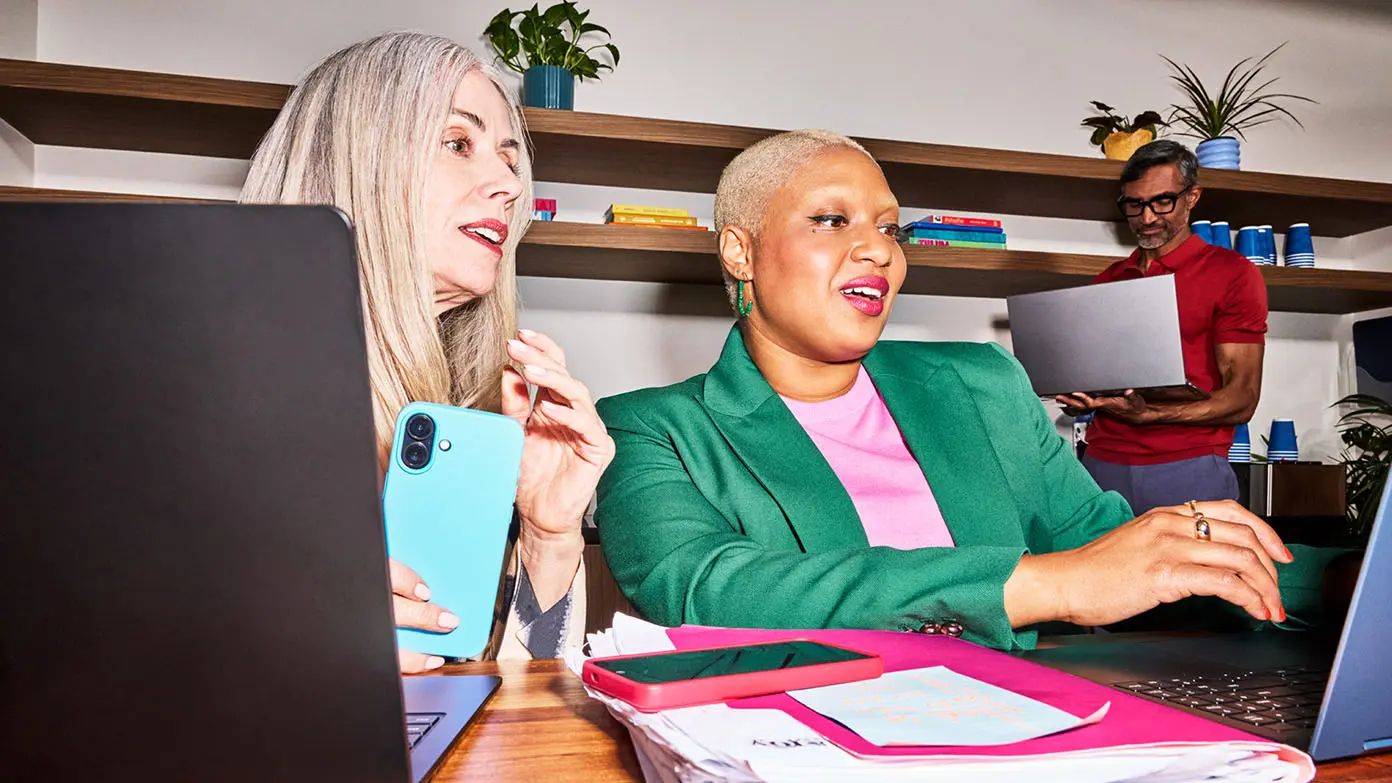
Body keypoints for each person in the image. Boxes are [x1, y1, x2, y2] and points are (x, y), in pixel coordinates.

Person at [594, 130, 1341, 651]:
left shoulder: (981, 380)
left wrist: (1348, 581)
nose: (878, 249)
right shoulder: (649, 428)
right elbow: (710, 591)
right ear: (740, 251)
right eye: (831, 220)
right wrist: (1042, 586)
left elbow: (1109, 545)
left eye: (891, 229)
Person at [241, 32, 614, 668]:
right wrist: (288, 647)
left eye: (508, 159)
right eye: (458, 143)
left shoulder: (462, 432)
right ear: (354, 162)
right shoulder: (201, 411)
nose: (509, 184)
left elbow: (504, 700)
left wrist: (548, 537)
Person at [1056, 140, 1265, 513]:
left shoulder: (1233, 273)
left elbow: (1242, 397)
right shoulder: (1107, 281)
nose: (1147, 217)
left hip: (1189, 465)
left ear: (1192, 197)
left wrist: (1151, 415)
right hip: (1102, 464)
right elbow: (1100, 379)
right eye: (1134, 204)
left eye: (1162, 202)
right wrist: (1080, 399)